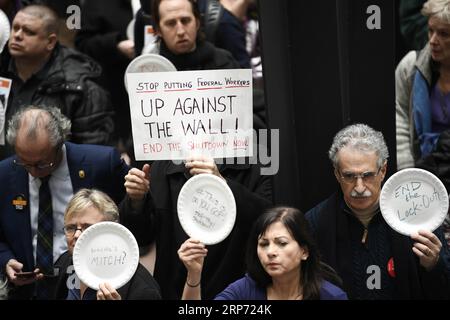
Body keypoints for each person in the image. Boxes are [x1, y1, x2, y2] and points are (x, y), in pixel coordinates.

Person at [306, 123, 450, 299]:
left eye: (367, 175)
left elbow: (443, 288)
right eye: (349, 176)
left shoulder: (420, 217)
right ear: (337, 174)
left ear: (383, 171)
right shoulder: (316, 222)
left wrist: (434, 265)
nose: (359, 188)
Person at [0, 105, 129, 299]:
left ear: (60, 142)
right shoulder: (3, 174)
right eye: (25, 162)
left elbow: (133, 218)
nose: (34, 171)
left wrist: (137, 199)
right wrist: (5, 259)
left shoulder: (102, 163)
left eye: (42, 163)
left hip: (91, 285)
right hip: (28, 290)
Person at [120, 155, 272, 299]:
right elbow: (142, 237)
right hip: (174, 290)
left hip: (234, 288)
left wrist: (222, 184)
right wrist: (136, 201)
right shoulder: (164, 164)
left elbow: (267, 224)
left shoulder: (253, 161)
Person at [0, 4, 114, 160]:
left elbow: (93, 151)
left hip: (56, 177)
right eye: (15, 28)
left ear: (50, 42)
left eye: (29, 32)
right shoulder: (2, 67)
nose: (17, 35)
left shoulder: (79, 83)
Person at [178, 206, 348, 300]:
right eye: (263, 244)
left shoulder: (332, 296)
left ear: (304, 251)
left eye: (281, 243)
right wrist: (194, 274)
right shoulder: (245, 291)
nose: (271, 252)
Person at [53, 188, 161, 300]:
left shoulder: (144, 291)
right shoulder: (63, 263)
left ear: (112, 231)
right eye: (71, 228)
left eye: (88, 228)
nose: (77, 235)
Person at [396, 0, 450, 170]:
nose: (433, 40)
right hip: (420, 167)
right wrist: (407, 171)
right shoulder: (411, 66)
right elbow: (400, 119)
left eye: (444, 33)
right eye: (430, 31)